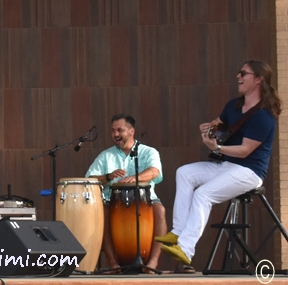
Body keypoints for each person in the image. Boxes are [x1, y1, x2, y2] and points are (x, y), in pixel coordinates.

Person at [156, 60, 280, 269]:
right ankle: (177, 232)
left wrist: (217, 148)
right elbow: (217, 124)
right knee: (184, 172)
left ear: (258, 80)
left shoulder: (264, 116)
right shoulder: (234, 105)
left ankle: (185, 249)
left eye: (243, 73)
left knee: (203, 194)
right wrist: (208, 131)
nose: (238, 76)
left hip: (249, 171)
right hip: (226, 166)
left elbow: (245, 150)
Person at [85, 114, 167, 271]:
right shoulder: (106, 156)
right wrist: (108, 176)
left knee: (160, 211)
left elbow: (154, 172)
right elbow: (90, 179)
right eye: (113, 131)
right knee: (102, 212)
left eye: (120, 130)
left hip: (145, 200)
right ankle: (113, 264)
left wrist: (135, 178)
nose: (115, 134)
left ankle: (152, 263)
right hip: (112, 200)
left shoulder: (148, 152)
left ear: (131, 131)